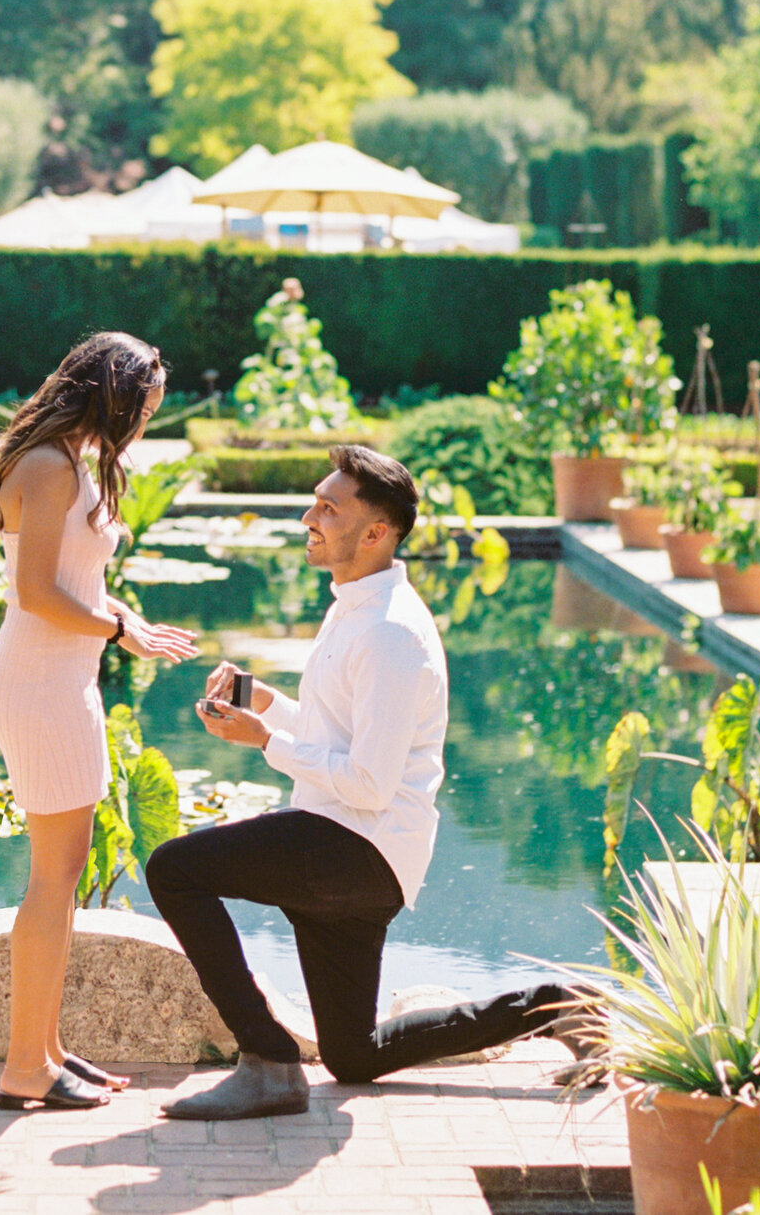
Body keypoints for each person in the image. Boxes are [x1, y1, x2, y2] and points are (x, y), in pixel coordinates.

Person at [146, 444, 584, 1120]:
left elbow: (370, 784)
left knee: (175, 869)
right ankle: (556, 1006)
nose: (308, 516)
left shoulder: (389, 633)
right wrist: (263, 702)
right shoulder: (355, 606)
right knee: (353, 1054)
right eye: (315, 501)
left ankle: (266, 1061)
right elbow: (340, 744)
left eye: (328, 507)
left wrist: (265, 740)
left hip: (357, 845)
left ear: (377, 532)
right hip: (353, 848)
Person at [0, 331, 199, 1112]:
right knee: (52, 880)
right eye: (145, 408)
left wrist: (123, 616)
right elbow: (36, 592)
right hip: (41, 684)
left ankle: (44, 1048)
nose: (145, 424)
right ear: (115, 395)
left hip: (61, 680)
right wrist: (114, 631)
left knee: (63, 876)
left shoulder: (69, 463)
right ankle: (23, 1066)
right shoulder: (45, 467)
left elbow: (78, 575)